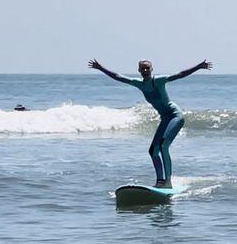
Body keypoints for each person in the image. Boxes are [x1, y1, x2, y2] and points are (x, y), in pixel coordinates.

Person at [88, 58, 212, 188]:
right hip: (165, 119)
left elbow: (180, 75)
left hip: (175, 116)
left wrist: (199, 66)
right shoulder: (139, 84)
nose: (145, 70)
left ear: (152, 69)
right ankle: (160, 181)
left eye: (147, 68)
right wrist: (100, 68)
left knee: (164, 146)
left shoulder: (159, 81)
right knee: (153, 151)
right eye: (143, 68)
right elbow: (118, 77)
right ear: (139, 71)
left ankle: (168, 181)